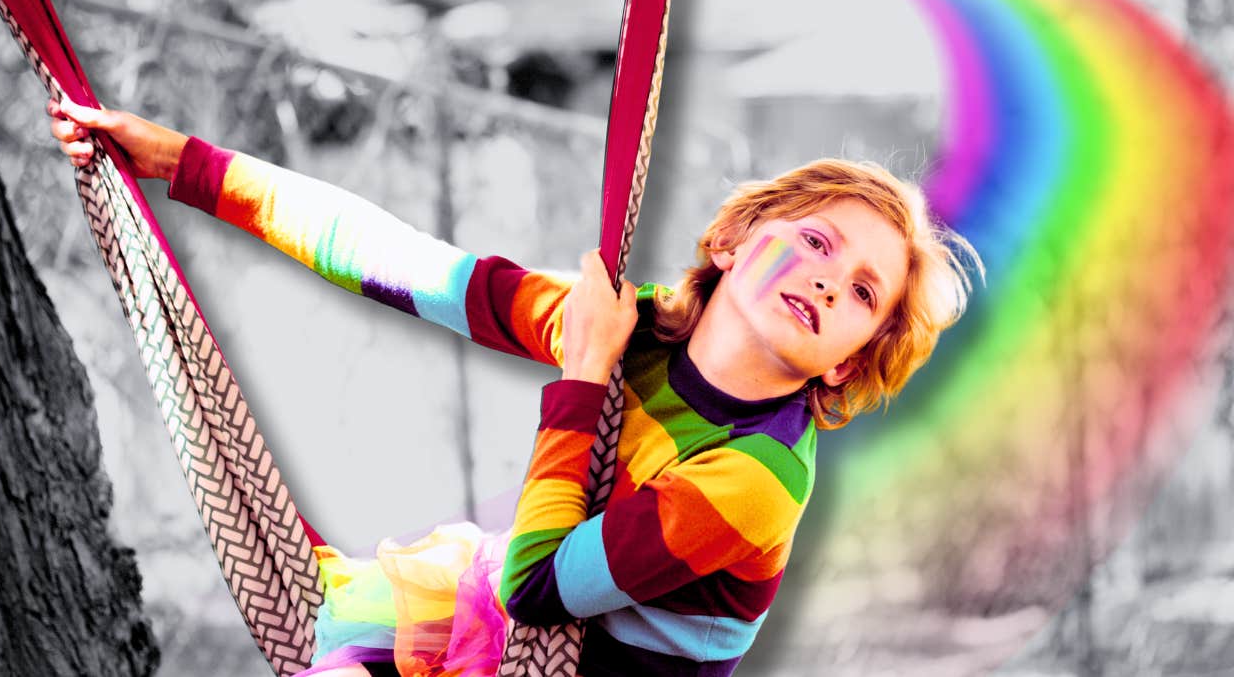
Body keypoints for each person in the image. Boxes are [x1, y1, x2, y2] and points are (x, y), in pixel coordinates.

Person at [48, 98, 980, 677]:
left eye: (863, 291)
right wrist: (184, 163)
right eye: (815, 240)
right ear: (733, 242)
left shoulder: (757, 482)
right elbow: (408, 266)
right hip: (485, 638)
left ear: (847, 362)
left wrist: (584, 370)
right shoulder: (638, 326)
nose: (827, 279)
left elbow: (540, 588)